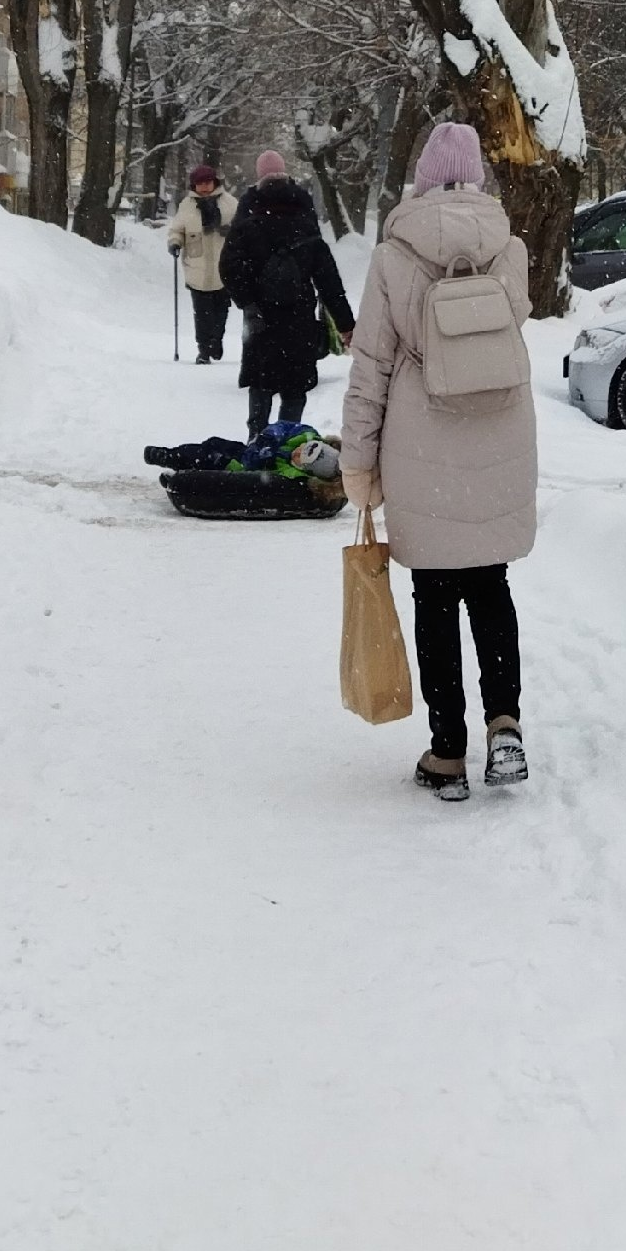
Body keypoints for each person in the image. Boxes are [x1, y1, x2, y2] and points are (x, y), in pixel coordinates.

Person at [338, 120, 535, 802]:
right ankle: (504, 722)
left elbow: (371, 368)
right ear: (478, 178)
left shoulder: (395, 257)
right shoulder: (509, 249)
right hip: (501, 435)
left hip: (422, 445)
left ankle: (448, 751)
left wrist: (359, 464)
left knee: (435, 596)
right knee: (491, 587)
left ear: (421, 178)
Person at [219, 149, 356, 453]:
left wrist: (248, 302)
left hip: (261, 320)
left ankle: (256, 446)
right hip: (299, 319)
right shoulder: (304, 215)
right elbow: (329, 280)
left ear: (259, 177)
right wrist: (346, 325)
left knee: (262, 384)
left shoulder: (248, 217)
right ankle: (286, 447)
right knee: (294, 390)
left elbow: (229, 266)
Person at [164, 164, 239, 363]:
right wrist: (175, 243)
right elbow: (177, 229)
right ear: (194, 185)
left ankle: (217, 340)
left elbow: (243, 229)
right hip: (196, 267)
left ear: (215, 182)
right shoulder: (186, 205)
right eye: (199, 184)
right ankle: (204, 350)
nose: (204, 187)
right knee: (202, 313)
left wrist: (229, 231)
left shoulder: (230, 204)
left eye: (207, 183)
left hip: (224, 269)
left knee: (221, 311)